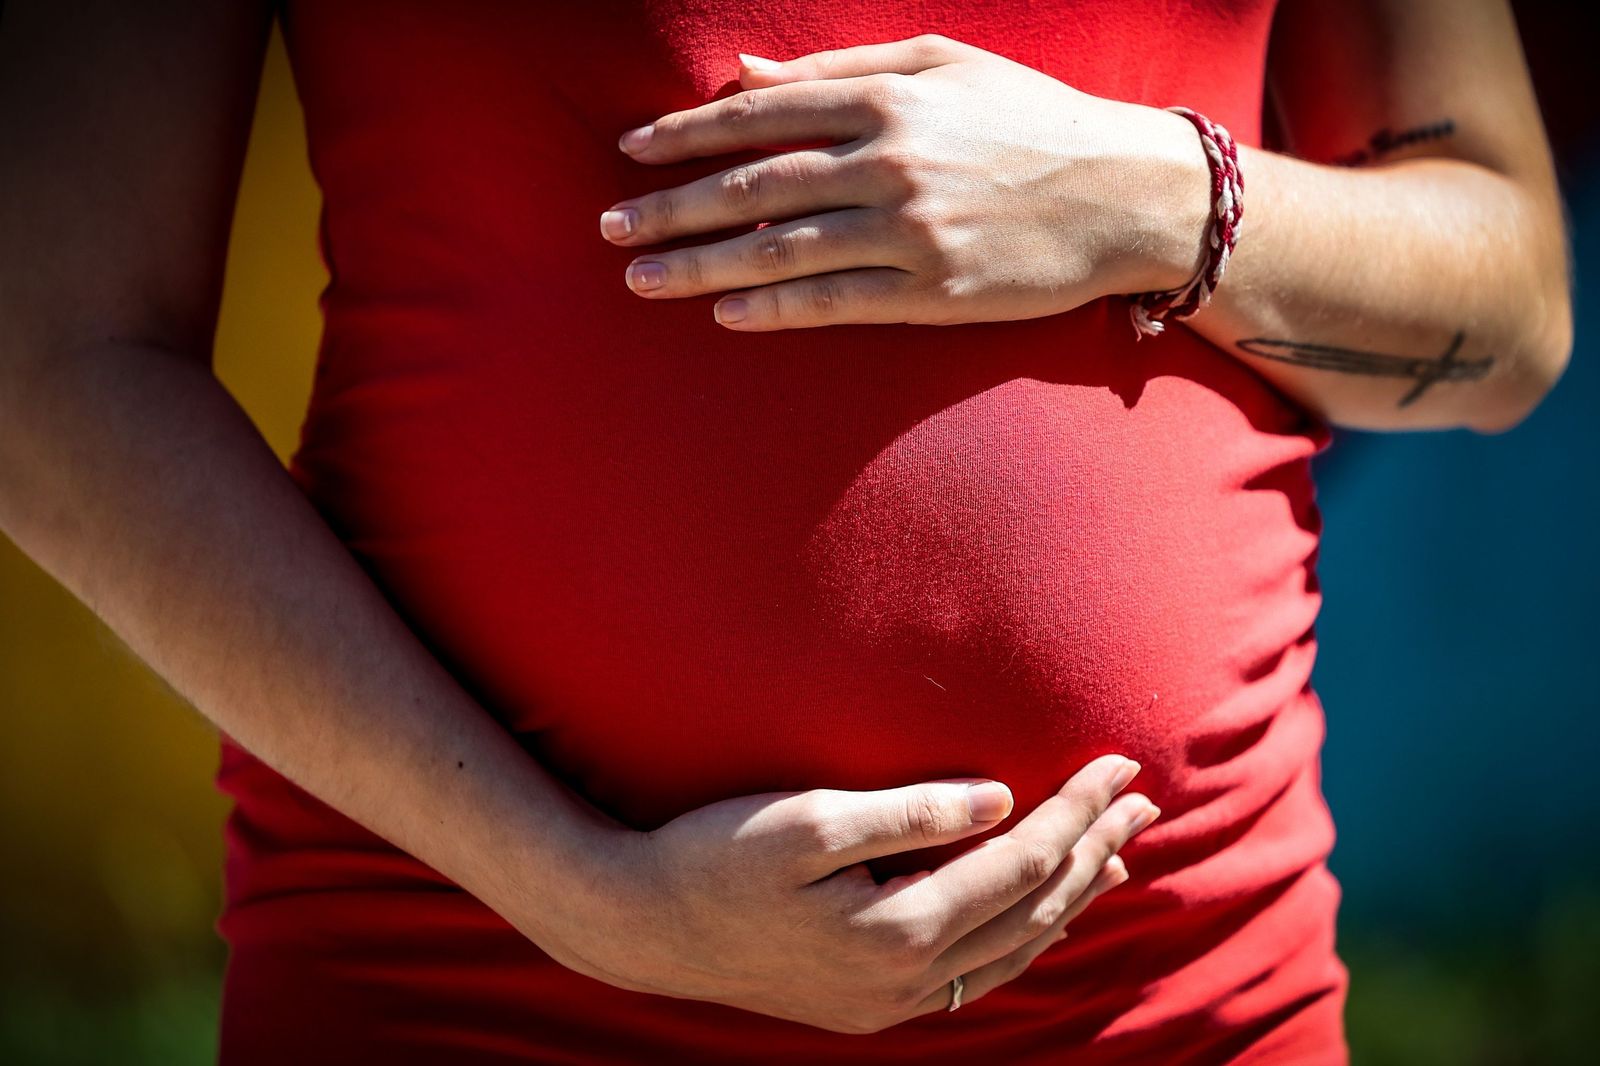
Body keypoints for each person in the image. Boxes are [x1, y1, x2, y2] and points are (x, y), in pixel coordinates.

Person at [0, 0, 1570, 1062]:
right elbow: (45, 357)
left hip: (1172, 982)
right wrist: (579, 888)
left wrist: (1150, 196)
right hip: (468, 973)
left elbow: (1512, 307)